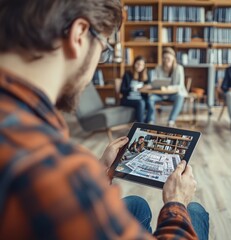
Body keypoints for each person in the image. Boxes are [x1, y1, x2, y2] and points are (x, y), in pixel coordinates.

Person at [0, 1, 209, 239]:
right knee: (195, 211)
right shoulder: (56, 169)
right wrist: (176, 204)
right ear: (79, 34)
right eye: (104, 49)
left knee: (137, 205)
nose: (99, 61)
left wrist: (101, 171)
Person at [145, 47, 187, 127]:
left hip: (173, 95)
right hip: (160, 94)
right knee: (150, 98)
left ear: (173, 58)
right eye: (164, 58)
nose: (166, 60)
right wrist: (151, 85)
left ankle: (171, 120)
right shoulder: (158, 67)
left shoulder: (179, 68)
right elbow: (155, 82)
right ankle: (151, 120)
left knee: (180, 97)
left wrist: (167, 88)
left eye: (168, 58)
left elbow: (180, 86)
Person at [120, 56, 150, 123]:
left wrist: (147, 88)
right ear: (134, 64)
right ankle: (140, 126)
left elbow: (147, 91)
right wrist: (133, 88)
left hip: (140, 98)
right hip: (128, 99)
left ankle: (148, 124)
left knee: (150, 102)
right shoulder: (127, 74)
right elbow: (122, 90)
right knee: (141, 102)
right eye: (138, 64)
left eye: (142, 65)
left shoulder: (145, 75)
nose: (139, 66)